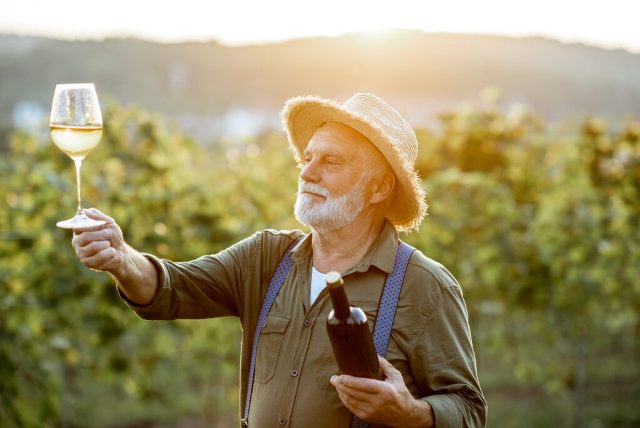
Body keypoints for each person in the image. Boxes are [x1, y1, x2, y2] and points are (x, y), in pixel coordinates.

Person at [72, 93, 487, 427]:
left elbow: (468, 410)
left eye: (331, 161)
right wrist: (120, 257)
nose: (308, 173)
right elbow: (172, 289)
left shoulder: (424, 286)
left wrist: (411, 414)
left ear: (378, 187)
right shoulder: (266, 258)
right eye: (308, 158)